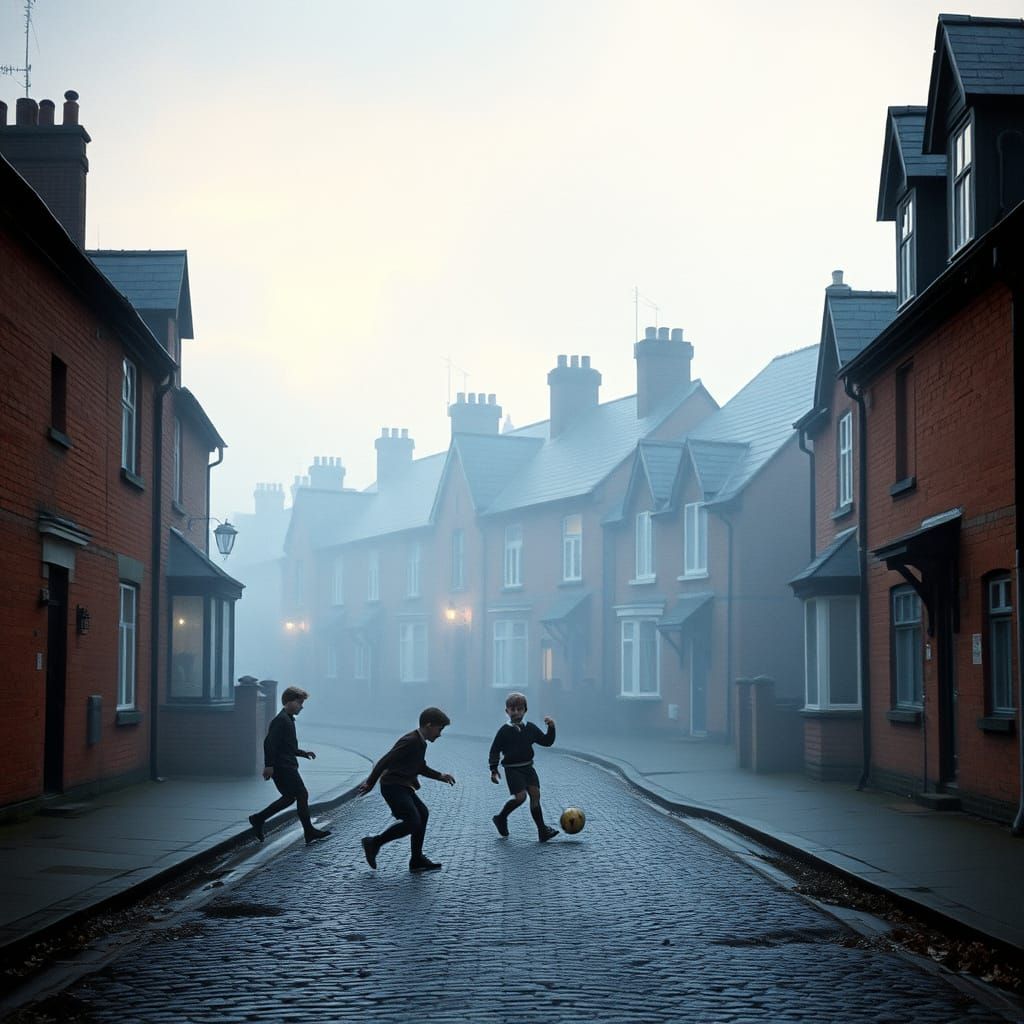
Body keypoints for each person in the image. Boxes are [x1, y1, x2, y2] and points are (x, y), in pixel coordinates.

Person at [357, 707, 455, 873]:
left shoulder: (420, 742)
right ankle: (374, 842)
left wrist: (440, 776)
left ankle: (416, 859)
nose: (440, 734)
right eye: (440, 729)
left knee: (422, 814)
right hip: (392, 786)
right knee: (413, 821)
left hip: (402, 786)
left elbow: (419, 766)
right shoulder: (410, 740)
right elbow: (385, 760)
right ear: (429, 725)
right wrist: (370, 782)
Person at [248, 685, 332, 845]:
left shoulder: (287, 719)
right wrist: (269, 765)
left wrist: (303, 753)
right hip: (283, 767)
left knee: (288, 798)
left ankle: (258, 819)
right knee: (302, 794)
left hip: (286, 765)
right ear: (289, 702)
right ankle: (309, 831)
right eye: (299, 703)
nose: (301, 706)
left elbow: (287, 746)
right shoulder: (281, 720)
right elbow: (269, 743)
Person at [489, 691, 558, 841]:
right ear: (506, 711)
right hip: (513, 769)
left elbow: (546, 741)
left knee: (535, 795)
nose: (516, 712)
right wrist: (493, 770)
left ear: (525, 710)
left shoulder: (530, 728)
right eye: (512, 709)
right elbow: (494, 750)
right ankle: (501, 818)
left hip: (528, 768)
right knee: (520, 798)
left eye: (519, 709)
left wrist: (551, 728)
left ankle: (542, 830)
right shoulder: (504, 731)